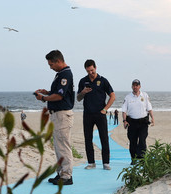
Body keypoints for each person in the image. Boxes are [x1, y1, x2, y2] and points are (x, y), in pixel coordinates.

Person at [34, 50, 75, 185]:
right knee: (58, 146)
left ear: (58, 61)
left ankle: (67, 176)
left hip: (62, 114)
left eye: (51, 64)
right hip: (57, 114)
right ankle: (61, 173)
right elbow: (57, 92)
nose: (50, 67)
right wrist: (48, 92)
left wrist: (44, 98)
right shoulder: (60, 74)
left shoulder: (65, 74)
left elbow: (60, 96)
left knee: (63, 145)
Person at [77, 59, 115, 170]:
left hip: (100, 114)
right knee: (88, 139)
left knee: (104, 138)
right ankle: (91, 163)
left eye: (92, 70)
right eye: (88, 71)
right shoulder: (83, 81)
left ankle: (106, 163)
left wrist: (105, 109)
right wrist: (83, 92)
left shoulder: (103, 81)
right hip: (87, 114)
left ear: (96, 68)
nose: (90, 73)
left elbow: (112, 96)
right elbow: (78, 99)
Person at [121, 79, 154, 163]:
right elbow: (124, 110)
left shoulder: (145, 95)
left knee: (142, 140)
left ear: (140, 86)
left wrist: (152, 118)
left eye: (137, 85)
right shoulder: (128, 97)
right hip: (132, 123)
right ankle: (134, 158)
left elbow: (149, 108)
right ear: (132, 86)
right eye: (134, 85)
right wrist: (124, 121)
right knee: (133, 141)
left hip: (143, 122)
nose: (135, 87)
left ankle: (142, 158)